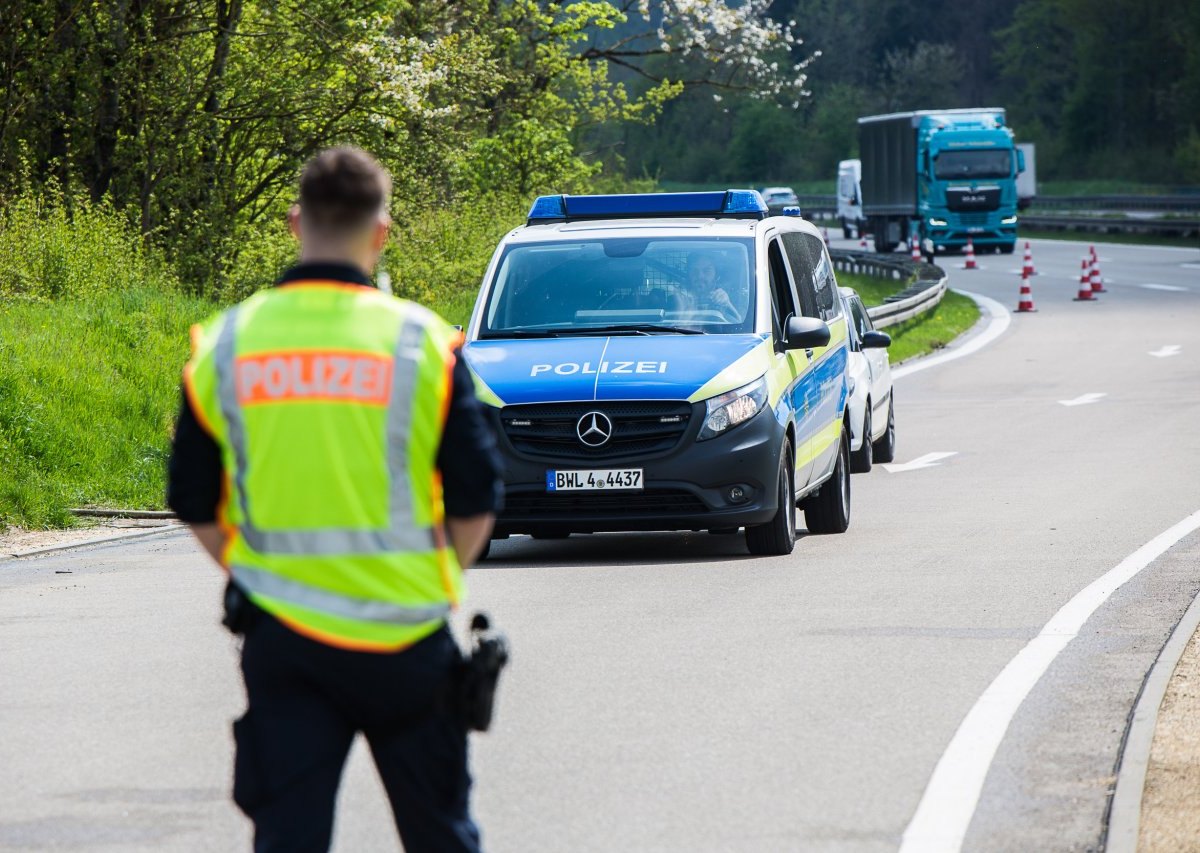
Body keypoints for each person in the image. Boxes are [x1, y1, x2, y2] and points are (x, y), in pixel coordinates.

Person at [166, 146, 502, 853]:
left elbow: (192, 499)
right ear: (380, 232)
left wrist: (255, 572)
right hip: (407, 638)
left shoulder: (226, 344)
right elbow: (477, 499)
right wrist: (437, 576)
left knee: (288, 839)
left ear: (295, 222)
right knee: (441, 836)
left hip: (284, 643)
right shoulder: (424, 344)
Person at [684, 252, 749, 322]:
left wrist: (727, 304)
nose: (700, 276)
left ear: (717, 274)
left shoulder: (737, 297)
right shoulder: (677, 299)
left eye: (707, 271)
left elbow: (742, 324)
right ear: (688, 274)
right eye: (694, 271)